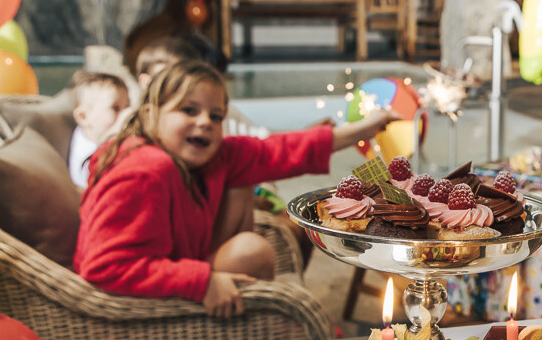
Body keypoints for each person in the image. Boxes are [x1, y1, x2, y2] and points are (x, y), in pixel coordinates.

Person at [75, 59, 397, 316]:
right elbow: (104, 266)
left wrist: (365, 128)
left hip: (175, 265)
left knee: (244, 174)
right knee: (250, 251)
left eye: (216, 116)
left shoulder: (210, 158)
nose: (205, 122)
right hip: (140, 304)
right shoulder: (145, 169)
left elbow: (278, 151)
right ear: (150, 114)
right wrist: (201, 282)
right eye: (189, 110)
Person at [67, 70, 130, 188]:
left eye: (127, 106)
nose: (127, 115)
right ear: (83, 117)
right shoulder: (88, 159)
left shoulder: (90, 132)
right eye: (115, 108)